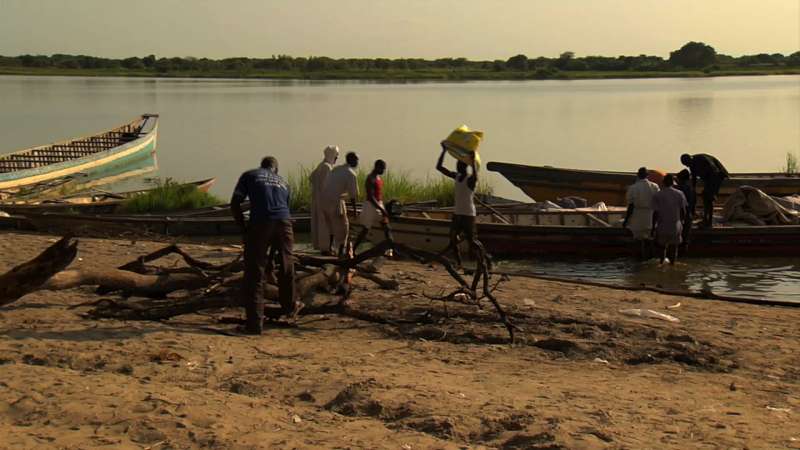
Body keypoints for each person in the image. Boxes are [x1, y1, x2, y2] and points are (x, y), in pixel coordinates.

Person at [231, 156, 301, 335]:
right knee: (287, 266)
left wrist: (243, 229)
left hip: (261, 222)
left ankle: (254, 324)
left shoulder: (250, 175)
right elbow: (284, 210)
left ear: (262, 166)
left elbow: (235, 202)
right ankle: (289, 310)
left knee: (254, 273)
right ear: (275, 169)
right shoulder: (284, 182)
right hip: (284, 224)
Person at [436, 145, 480, 268]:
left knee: (472, 241)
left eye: (459, 165)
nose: (457, 166)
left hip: (468, 215)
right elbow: (439, 167)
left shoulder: (470, 179)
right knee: (453, 238)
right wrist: (444, 151)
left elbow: (476, 175)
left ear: (464, 167)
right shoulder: (457, 176)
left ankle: (482, 261)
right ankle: (459, 263)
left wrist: (473, 160)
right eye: (457, 165)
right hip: (458, 213)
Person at [321, 151, 359, 256]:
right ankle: (341, 252)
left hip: (324, 201)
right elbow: (353, 195)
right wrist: (355, 211)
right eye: (356, 160)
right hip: (335, 202)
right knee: (344, 228)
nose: (357, 162)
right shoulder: (350, 173)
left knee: (331, 227)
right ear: (352, 160)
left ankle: (330, 248)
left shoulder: (336, 169)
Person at [353, 159, 392, 251]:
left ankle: (391, 248)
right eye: (382, 169)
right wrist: (381, 209)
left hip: (378, 204)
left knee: (387, 227)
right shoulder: (370, 179)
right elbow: (371, 197)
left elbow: (378, 194)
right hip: (370, 206)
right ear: (377, 167)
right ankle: (353, 249)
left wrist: (382, 206)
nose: (383, 171)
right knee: (365, 230)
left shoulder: (378, 178)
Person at [680, 153, 729, 227]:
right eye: (686, 165)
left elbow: (714, 172)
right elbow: (694, 178)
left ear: (689, 159)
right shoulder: (691, 165)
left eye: (687, 164)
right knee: (705, 196)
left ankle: (708, 221)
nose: (687, 166)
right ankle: (706, 219)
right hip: (710, 178)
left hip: (717, 175)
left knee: (708, 197)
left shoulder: (701, 159)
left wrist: (710, 189)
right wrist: (693, 190)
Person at [651, 174, 688, 264]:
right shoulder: (679, 194)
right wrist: (682, 222)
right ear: (673, 183)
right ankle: (673, 264)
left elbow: (655, 212)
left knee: (662, 247)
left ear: (663, 183)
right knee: (674, 247)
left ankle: (661, 263)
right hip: (675, 225)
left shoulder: (658, 195)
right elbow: (683, 211)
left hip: (662, 225)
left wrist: (653, 226)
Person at [623, 167, 660, 258]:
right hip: (650, 216)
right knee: (649, 240)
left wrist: (626, 220)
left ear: (638, 175)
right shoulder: (655, 187)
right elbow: (658, 205)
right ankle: (649, 257)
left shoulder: (633, 188)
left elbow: (631, 206)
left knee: (638, 240)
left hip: (637, 216)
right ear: (648, 175)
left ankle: (639, 258)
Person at [309, 145, 339, 253]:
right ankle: (327, 248)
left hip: (318, 200)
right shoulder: (327, 167)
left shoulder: (321, 165)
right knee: (328, 226)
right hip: (326, 201)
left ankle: (325, 247)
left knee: (322, 224)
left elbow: (311, 178)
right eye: (336, 156)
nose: (336, 158)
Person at [675, 169, 696, 245]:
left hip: (679, 215)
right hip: (688, 214)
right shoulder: (691, 188)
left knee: (677, 236)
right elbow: (694, 202)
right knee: (685, 237)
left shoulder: (678, 189)